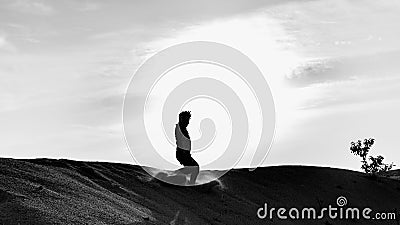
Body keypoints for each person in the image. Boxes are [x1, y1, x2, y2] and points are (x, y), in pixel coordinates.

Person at [175, 111, 199, 185]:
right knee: (195, 168)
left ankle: (175, 175)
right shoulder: (180, 127)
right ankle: (191, 183)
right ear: (182, 119)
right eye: (186, 120)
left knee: (193, 168)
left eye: (188, 120)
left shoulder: (183, 128)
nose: (188, 122)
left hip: (185, 154)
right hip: (182, 154)